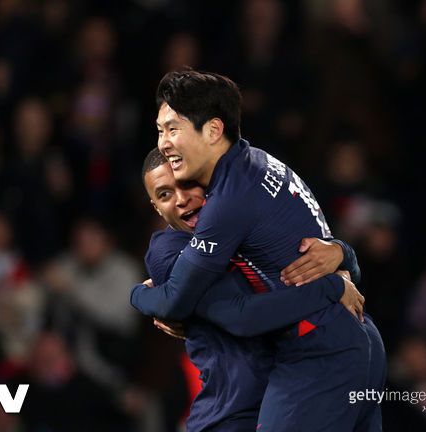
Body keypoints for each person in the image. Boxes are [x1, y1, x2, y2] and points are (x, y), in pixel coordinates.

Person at [131, 70, 386, 431]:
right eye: (160, 131)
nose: (165, 143)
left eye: (173, 130)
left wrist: (139, 295)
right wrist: (343, 260)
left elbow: (195, 305)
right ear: (154, 208)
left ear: (213, 130)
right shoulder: (261, 164)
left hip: (318, 352)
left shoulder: (227, 203)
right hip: (354, 339)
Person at [141, 147, 364, 430]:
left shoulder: (245, 223)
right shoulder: (169, 251)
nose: (181, 199)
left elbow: (339, 269)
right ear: (156, 207)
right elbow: (242, 316)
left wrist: (342, 252)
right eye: (165, 195)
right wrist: (141, 297)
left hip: (290, 391)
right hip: (230, 412)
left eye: (187, 184)